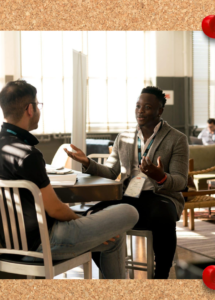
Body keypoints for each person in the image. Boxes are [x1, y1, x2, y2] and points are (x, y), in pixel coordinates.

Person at [0, 80, 139, 279]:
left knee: (114, 239)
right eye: (38, 105)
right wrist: (82, 221)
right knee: (129, 211)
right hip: (46, 242)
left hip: (9, 246)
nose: (38, 110)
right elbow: (55, 208)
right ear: (30, 109)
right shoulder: (29, 154)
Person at [65, 86, 189, 279]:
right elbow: (111, 172)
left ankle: (161, 276)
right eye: (138, 106)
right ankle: (111, 275)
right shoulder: (123, 138)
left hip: (161, 196)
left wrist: (160, 176)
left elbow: (181, 181)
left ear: (160, 111)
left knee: (163, 215)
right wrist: (88, 162)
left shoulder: (177, 139)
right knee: (93, 215)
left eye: (147, 107)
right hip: (129, 195)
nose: (140, 110)